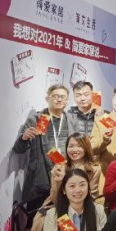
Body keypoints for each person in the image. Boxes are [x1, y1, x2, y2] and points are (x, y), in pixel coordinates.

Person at [13, 84, 72, 212]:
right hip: (40, 183)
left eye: (63, 97)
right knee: (38, 220)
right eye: (55, 96)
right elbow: (18, 149)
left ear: (67, 100)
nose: (59, 99)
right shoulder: (37, 119)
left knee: (62, 220)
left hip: (65, 181)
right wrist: (24, 137)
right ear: (47, 98)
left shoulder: (71, 120)